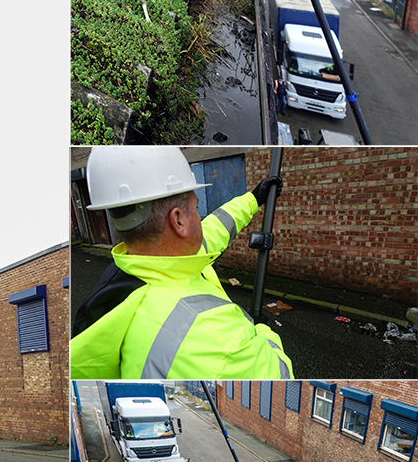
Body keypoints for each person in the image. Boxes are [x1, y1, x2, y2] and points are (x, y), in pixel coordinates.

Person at [71, 146, 293, 379]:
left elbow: (216, 228)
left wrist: (254, 199)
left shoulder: (133, 272)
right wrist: (261, 330)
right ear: (178, 220)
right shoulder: (220, 342)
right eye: (196, 209)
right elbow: (280, 373)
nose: (200, 217)